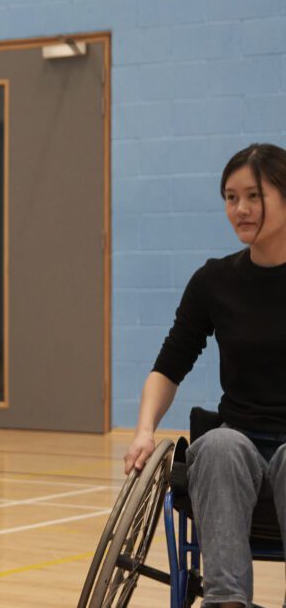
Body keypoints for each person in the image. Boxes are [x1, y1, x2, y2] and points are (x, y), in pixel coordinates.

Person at [124, 143, 286, 608]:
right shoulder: (214, 281)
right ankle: (226, 602)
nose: (240, 209)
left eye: (253, 196)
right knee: (215, 445)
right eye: (230, 198)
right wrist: (143, 431)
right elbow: (168, 367)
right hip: (241, 442)